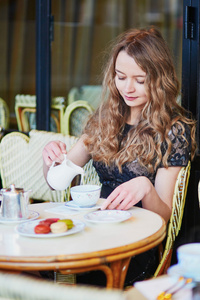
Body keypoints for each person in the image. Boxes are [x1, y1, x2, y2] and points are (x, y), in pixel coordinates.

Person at [42, 27, 197, 286]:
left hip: (136, 242)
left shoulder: (173, 130)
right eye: (121, 76)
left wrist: (146, 189)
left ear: (159, 79)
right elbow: (56, 181)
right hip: (94, 231)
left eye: (140, 79)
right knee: (48, 261)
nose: (128, 88)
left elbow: (165, 216)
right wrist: (50, 159)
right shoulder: (106, 118)